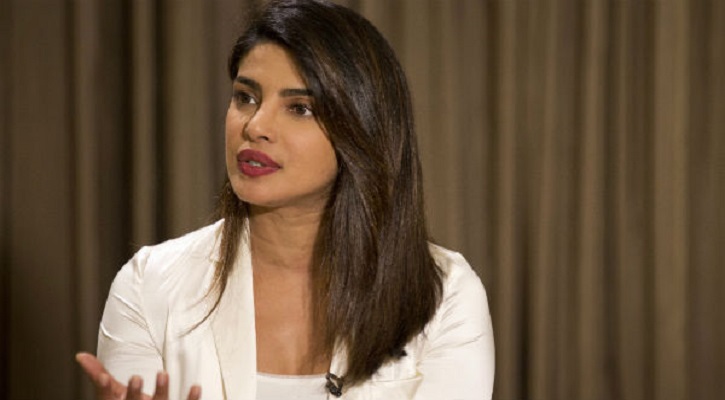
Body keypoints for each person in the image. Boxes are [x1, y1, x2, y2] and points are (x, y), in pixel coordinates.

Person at [76, 0, 495, 398]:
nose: (255, 126)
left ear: (362, 130)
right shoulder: (148, 286)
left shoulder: (445, 295)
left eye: (299, 108)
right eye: (246, 97)